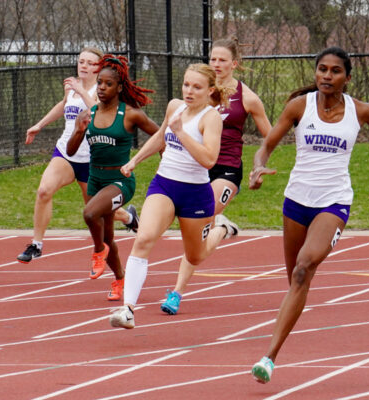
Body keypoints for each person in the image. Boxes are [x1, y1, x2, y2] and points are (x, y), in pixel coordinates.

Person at [249, 47, 369, 383]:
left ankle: (269, 357)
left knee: (303, 270)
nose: (326, 76)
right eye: (321, 70)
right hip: (296, 201)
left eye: (334, 71)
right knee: (295, 280)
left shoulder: (360, 111)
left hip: (334, 202)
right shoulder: (299, 107)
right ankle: (286, 328)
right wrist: (258, 167)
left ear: (347, 77)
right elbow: (267, 144)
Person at [109, 63, 240, 329]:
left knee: (195, 256)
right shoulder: (174, 107)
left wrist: (181, 132)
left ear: (209, 90)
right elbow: (160, 137)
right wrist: (135, 161)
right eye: (186, 85)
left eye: (197, 87)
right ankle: (128, 310)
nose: (189, 91)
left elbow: (209, 160)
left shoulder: (211, 117)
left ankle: (222, 229)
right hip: (165, 185)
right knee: (144, 238)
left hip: (195, 194)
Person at [160, 37, 272, 315]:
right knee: (191, 236)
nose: (217, 64)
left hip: (226, 170)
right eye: (213, 59)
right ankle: (222, 229)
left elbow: (271, 136)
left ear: (234, 64)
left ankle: (176, 292)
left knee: (202, 220)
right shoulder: (200, 92)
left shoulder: (248, 98)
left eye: (222, 60)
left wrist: (259, 167)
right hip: (194, 167)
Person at [17, 48, 139, 264]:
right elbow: (64, 106)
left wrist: (81, 91)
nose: (83, 66)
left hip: (92, 161)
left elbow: (101, 113)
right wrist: (39, 125)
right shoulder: (71, 86)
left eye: (90, 63)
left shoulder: (102, 89)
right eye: (81, 61)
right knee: (44, 190)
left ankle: (129, 217)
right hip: (66, 152)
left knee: (98, 212)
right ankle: (36, 244)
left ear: (99, 68)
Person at [67, 54, 159, 301]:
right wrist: (79, 130)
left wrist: (165, 163)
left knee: (89, 214)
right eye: (100, 83)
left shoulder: (130, 114)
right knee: (108, 235)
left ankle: (98, 251)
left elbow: (160, 135)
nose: (103, 88)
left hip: (120, 181)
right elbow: (71, 151)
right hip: (95, 179)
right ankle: (119, 278)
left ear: (119, 87)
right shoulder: (88, 114)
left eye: (108, 84)